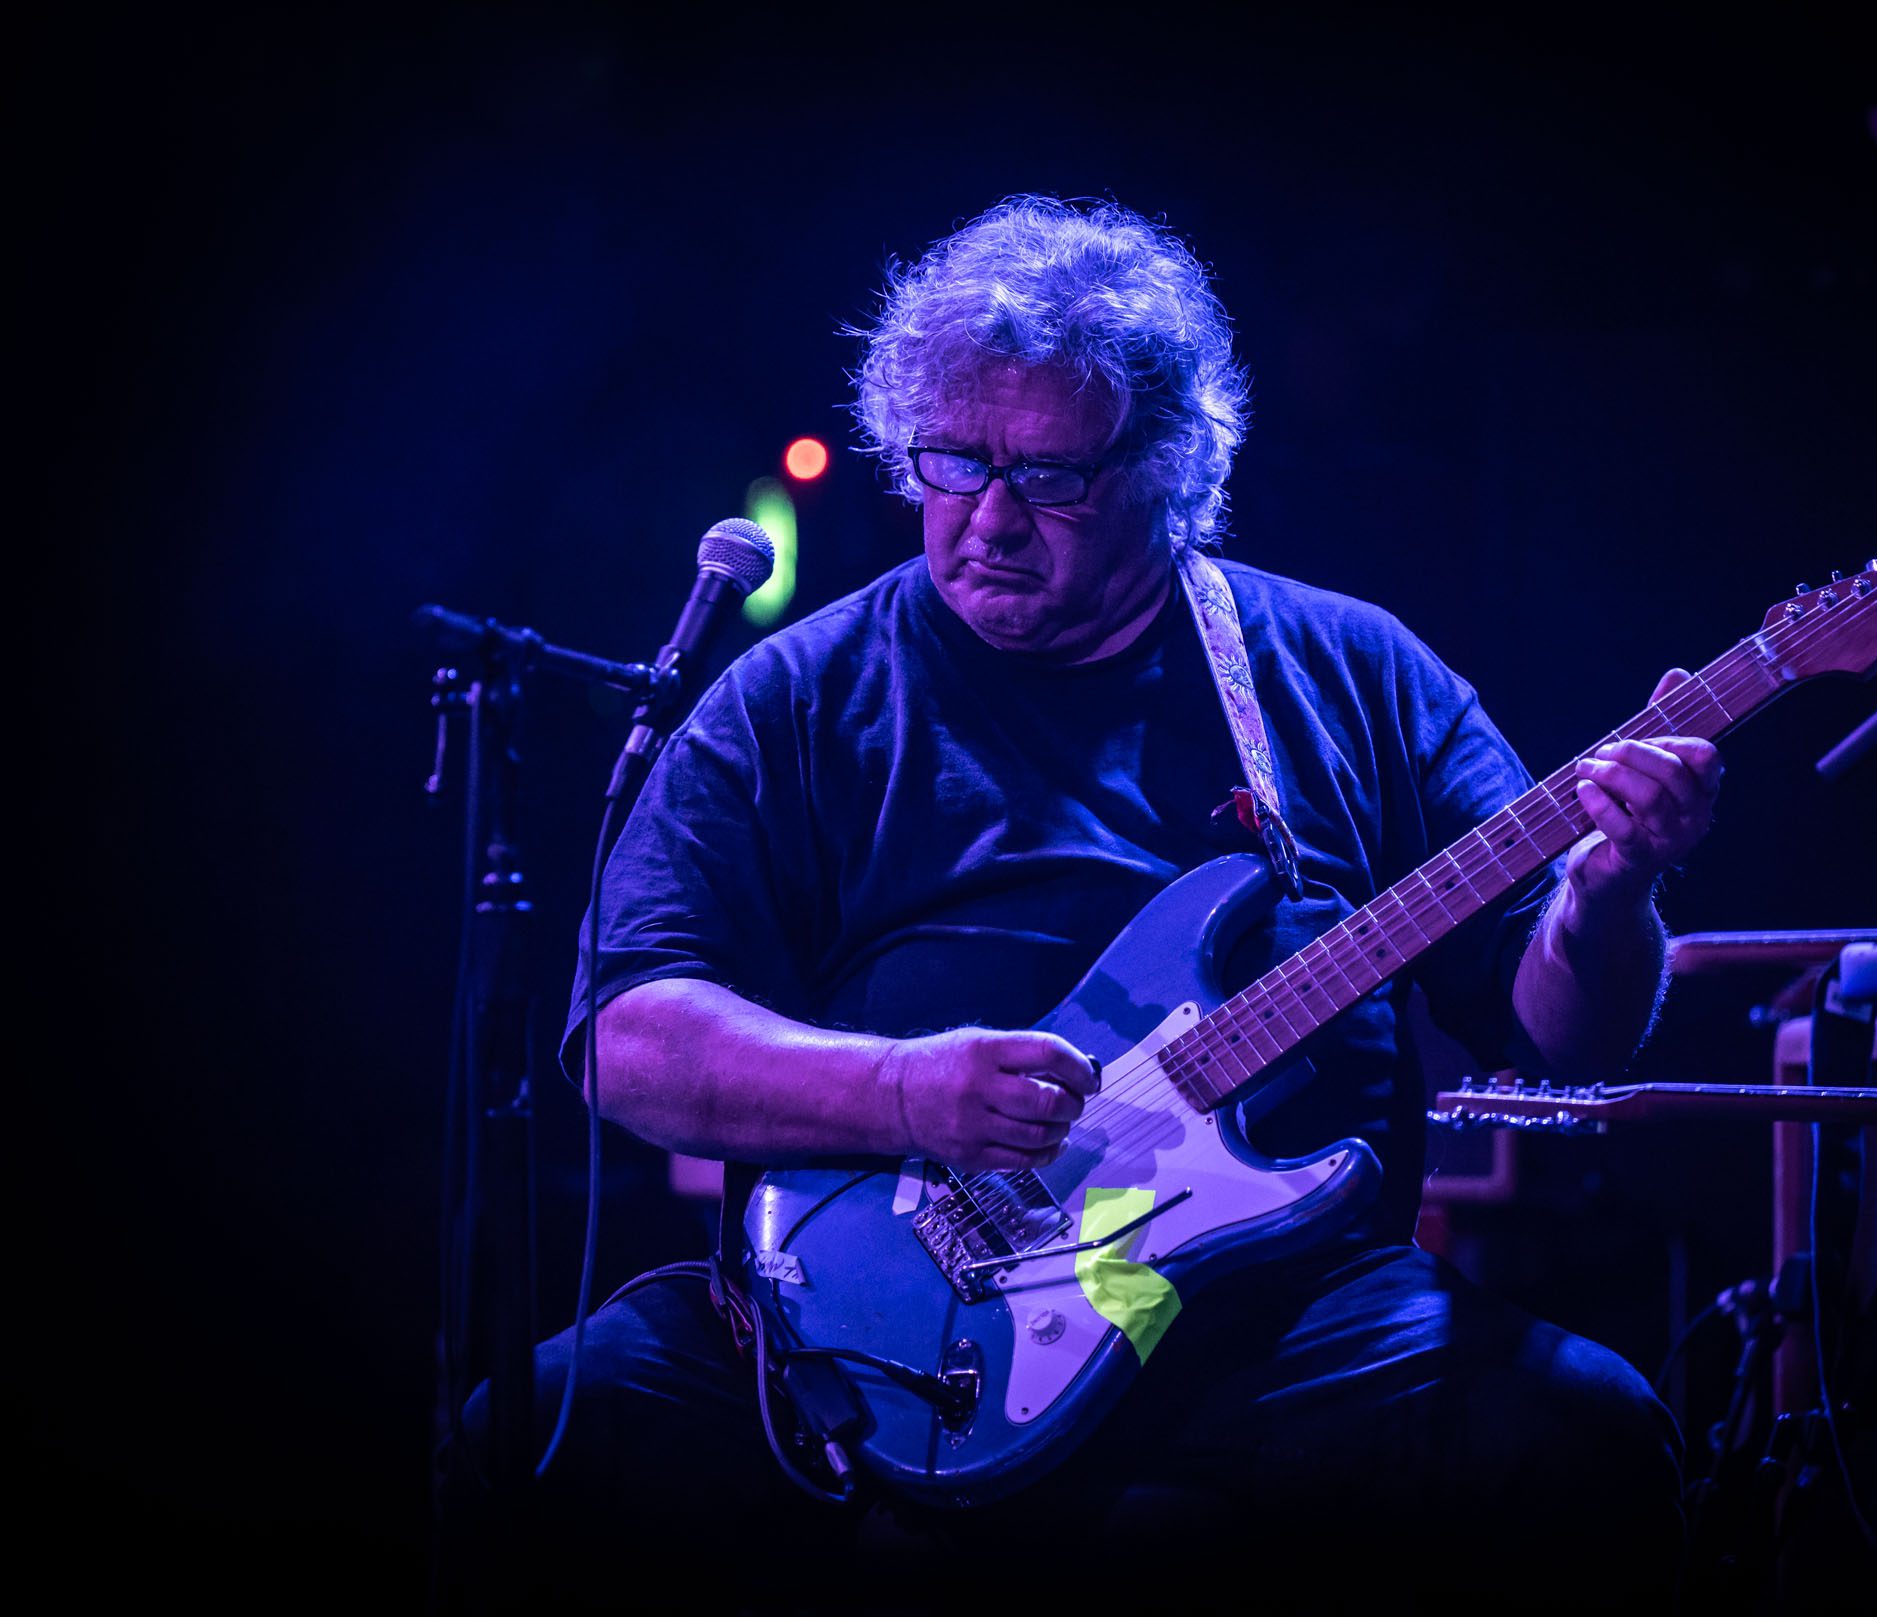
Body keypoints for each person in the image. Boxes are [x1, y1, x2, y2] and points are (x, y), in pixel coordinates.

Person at [453, 195, 1721, 1607]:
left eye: (1051, 479)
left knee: (1591, 1440)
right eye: (953, 462)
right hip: (863, 1315)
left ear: (1167, 473)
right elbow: (629, 1037)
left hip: (1274, 1321)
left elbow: (1568, 1030)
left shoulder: (1350, 673)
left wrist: (1611, 890)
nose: (990, 518)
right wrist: (904, 1092)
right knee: (532, 1440)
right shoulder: (799, 697)